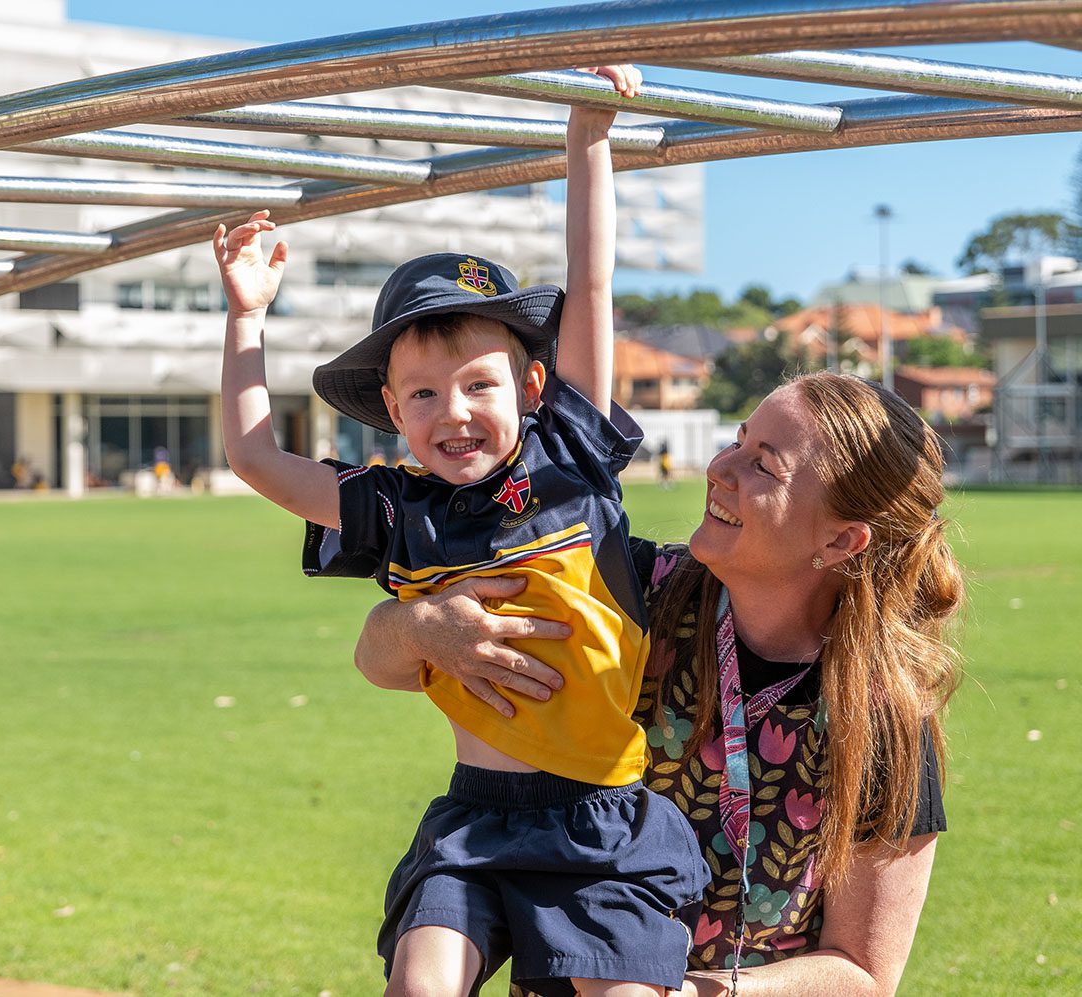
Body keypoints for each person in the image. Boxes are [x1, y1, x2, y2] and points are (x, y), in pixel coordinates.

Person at [214, 65, 708, 997]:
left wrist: (587, 140)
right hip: (477, 820)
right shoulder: (399, 506)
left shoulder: (572, 454)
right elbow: (256, 460)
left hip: (600, 817)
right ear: (393, 411)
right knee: (419, 983)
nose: (455, 411)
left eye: (480, 383)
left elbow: (591, 286)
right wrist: (247, 316)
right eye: (426, 395)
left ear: (528, 389)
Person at [356, 371, 964, 996]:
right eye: (738, 439)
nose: (720, 467)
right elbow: (381, 664)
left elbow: (863, 972)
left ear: (841, 540)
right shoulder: (631, 591)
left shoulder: (884, 715)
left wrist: (686, 992)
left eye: (764, 465)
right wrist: (417, 628)